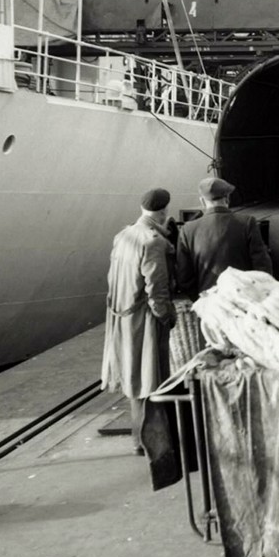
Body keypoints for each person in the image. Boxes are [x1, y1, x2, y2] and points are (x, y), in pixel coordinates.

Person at [101, 188, 176, 455]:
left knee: (135, 382)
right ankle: (154, 443)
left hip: (122, 317)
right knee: (152, 380)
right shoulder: (152, 241)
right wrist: (167, 316)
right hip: (144, 320)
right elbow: (156, 290)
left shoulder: (124, 236)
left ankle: (139, 440)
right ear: (164, 211)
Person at [175, 177, 273, 298]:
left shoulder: (188, 230)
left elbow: (184, 277)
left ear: (202, 201)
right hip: (244, 300)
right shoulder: (247, 223)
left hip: (209, 302)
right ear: (227, 198)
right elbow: (262, 267)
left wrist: (200, 299)